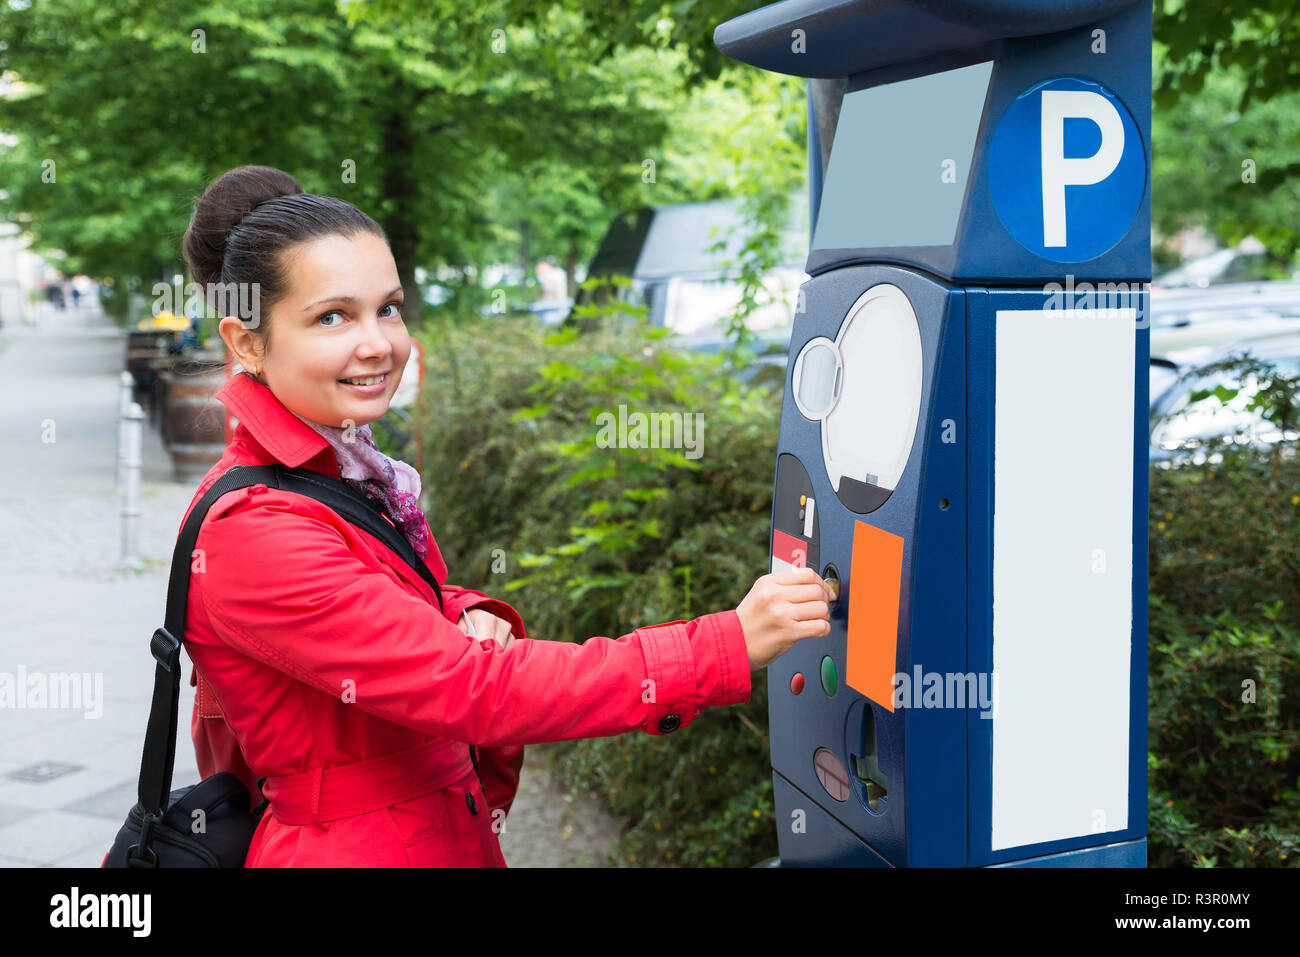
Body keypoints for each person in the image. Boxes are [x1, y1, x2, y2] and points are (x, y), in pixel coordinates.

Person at [178, 165, 834, 867]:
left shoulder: (341, 466)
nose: (378, 343)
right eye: (332, 316)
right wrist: (724, 644)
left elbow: (366, 606)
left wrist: (464, 606)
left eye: (388, 307)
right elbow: (475, 688)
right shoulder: (253, 525)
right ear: (246, 342)